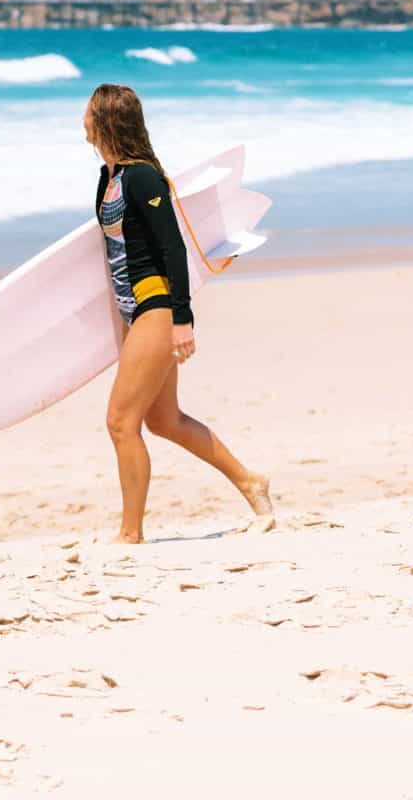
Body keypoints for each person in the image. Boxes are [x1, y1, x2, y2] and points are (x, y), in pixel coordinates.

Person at [84, 83, 274, 544]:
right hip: (133, 312)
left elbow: (172, 246)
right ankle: (250, 481)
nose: (82, 120)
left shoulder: (143, 177)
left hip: (156, 306)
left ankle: (130, 534)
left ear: (106, 119)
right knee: (163, 420)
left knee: (120, 421)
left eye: (89, 112)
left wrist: (181, 319)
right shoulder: (109, 178)